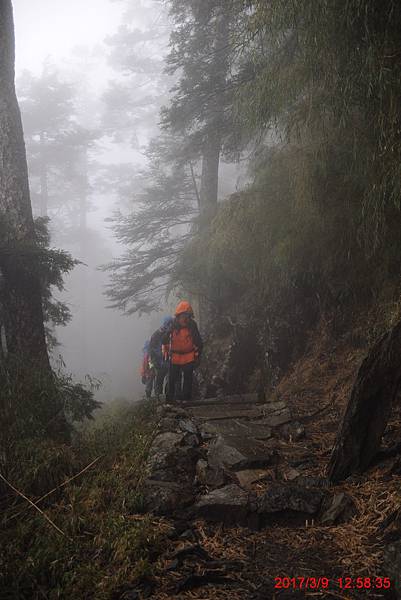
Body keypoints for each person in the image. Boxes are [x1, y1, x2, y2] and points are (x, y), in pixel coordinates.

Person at [163, 301, 203, 403]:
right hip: (175, 357)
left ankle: (186, 400)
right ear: (179, 315)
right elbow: (164, 340)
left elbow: (198, 341)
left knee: (188, 378)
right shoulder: (173, 324)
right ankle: (170, 400)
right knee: (172, 379)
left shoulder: (192, 325)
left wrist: (198, 356)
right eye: (184, 315)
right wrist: (166, 353)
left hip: (189, 356)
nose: (186, 318)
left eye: (188, 315)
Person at [149, 316, 174, 397]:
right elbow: (151, 349)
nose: (170, 325)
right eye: (169, 323)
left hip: (170, 361)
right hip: (160, 362)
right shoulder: (157, 334)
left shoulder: (173, 333)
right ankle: (158, 398)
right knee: (159, 380)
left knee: (170, 380)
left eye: (171, 323)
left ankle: (169, 397)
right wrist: (154, 362)